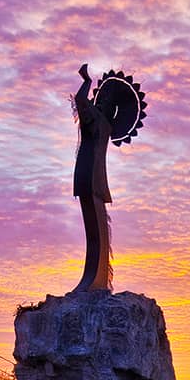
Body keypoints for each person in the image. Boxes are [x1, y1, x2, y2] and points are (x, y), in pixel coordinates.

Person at [72, 63, 116, 293]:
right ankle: (93, 278)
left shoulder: (100, 122)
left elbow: (81, 103)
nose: (100, 99)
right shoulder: (100, 122)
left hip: (93, 178)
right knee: (94, 230)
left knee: (97, 231)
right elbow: (83, 105)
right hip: (89, 177)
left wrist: (86, 83)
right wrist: (87, 84)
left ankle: (95, 279)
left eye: (105, 98)